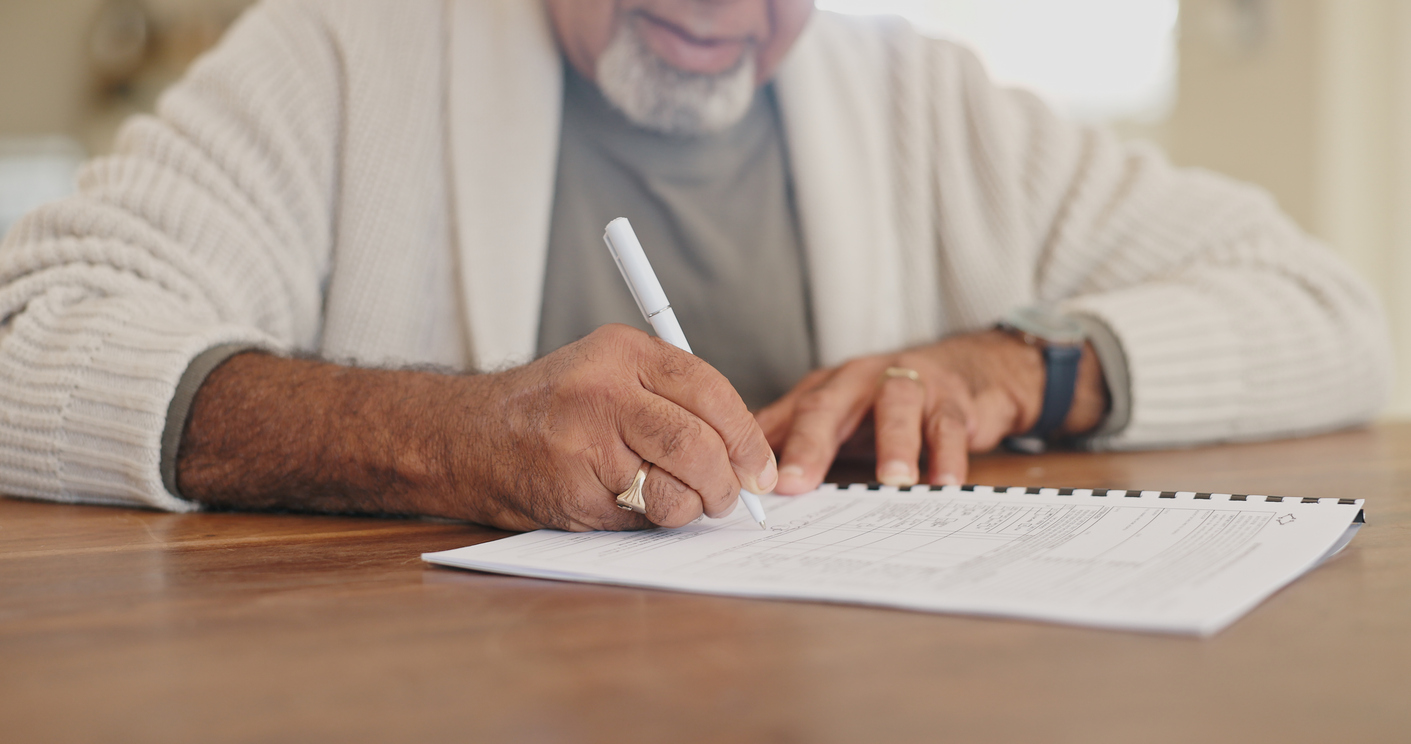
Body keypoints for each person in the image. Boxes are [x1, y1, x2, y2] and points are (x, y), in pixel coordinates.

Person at [0, 0, 1389, 531]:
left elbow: (1332, 316)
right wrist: (452, 435)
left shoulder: (921, 99)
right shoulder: (339, 56)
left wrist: (1017, 366)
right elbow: (31, 334)